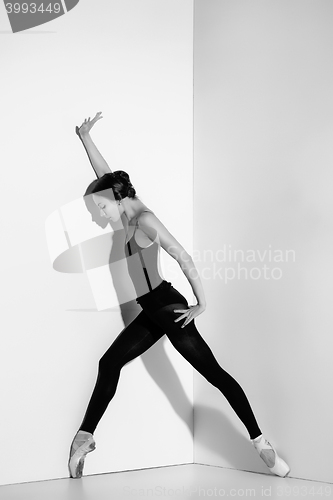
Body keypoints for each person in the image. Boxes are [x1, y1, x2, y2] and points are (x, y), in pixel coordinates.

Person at [68, 112, 290, 479]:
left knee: (214, 374)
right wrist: (86, 138)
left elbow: (183, 256)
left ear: (116, 199)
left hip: (168, 308)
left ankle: (261, 443)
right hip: (152, 310)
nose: (99, 214)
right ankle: (84, 437)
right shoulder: (124, 212)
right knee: (109, 364)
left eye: (101, 206)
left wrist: (201, 303)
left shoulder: (145, 220)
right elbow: (104, 175)